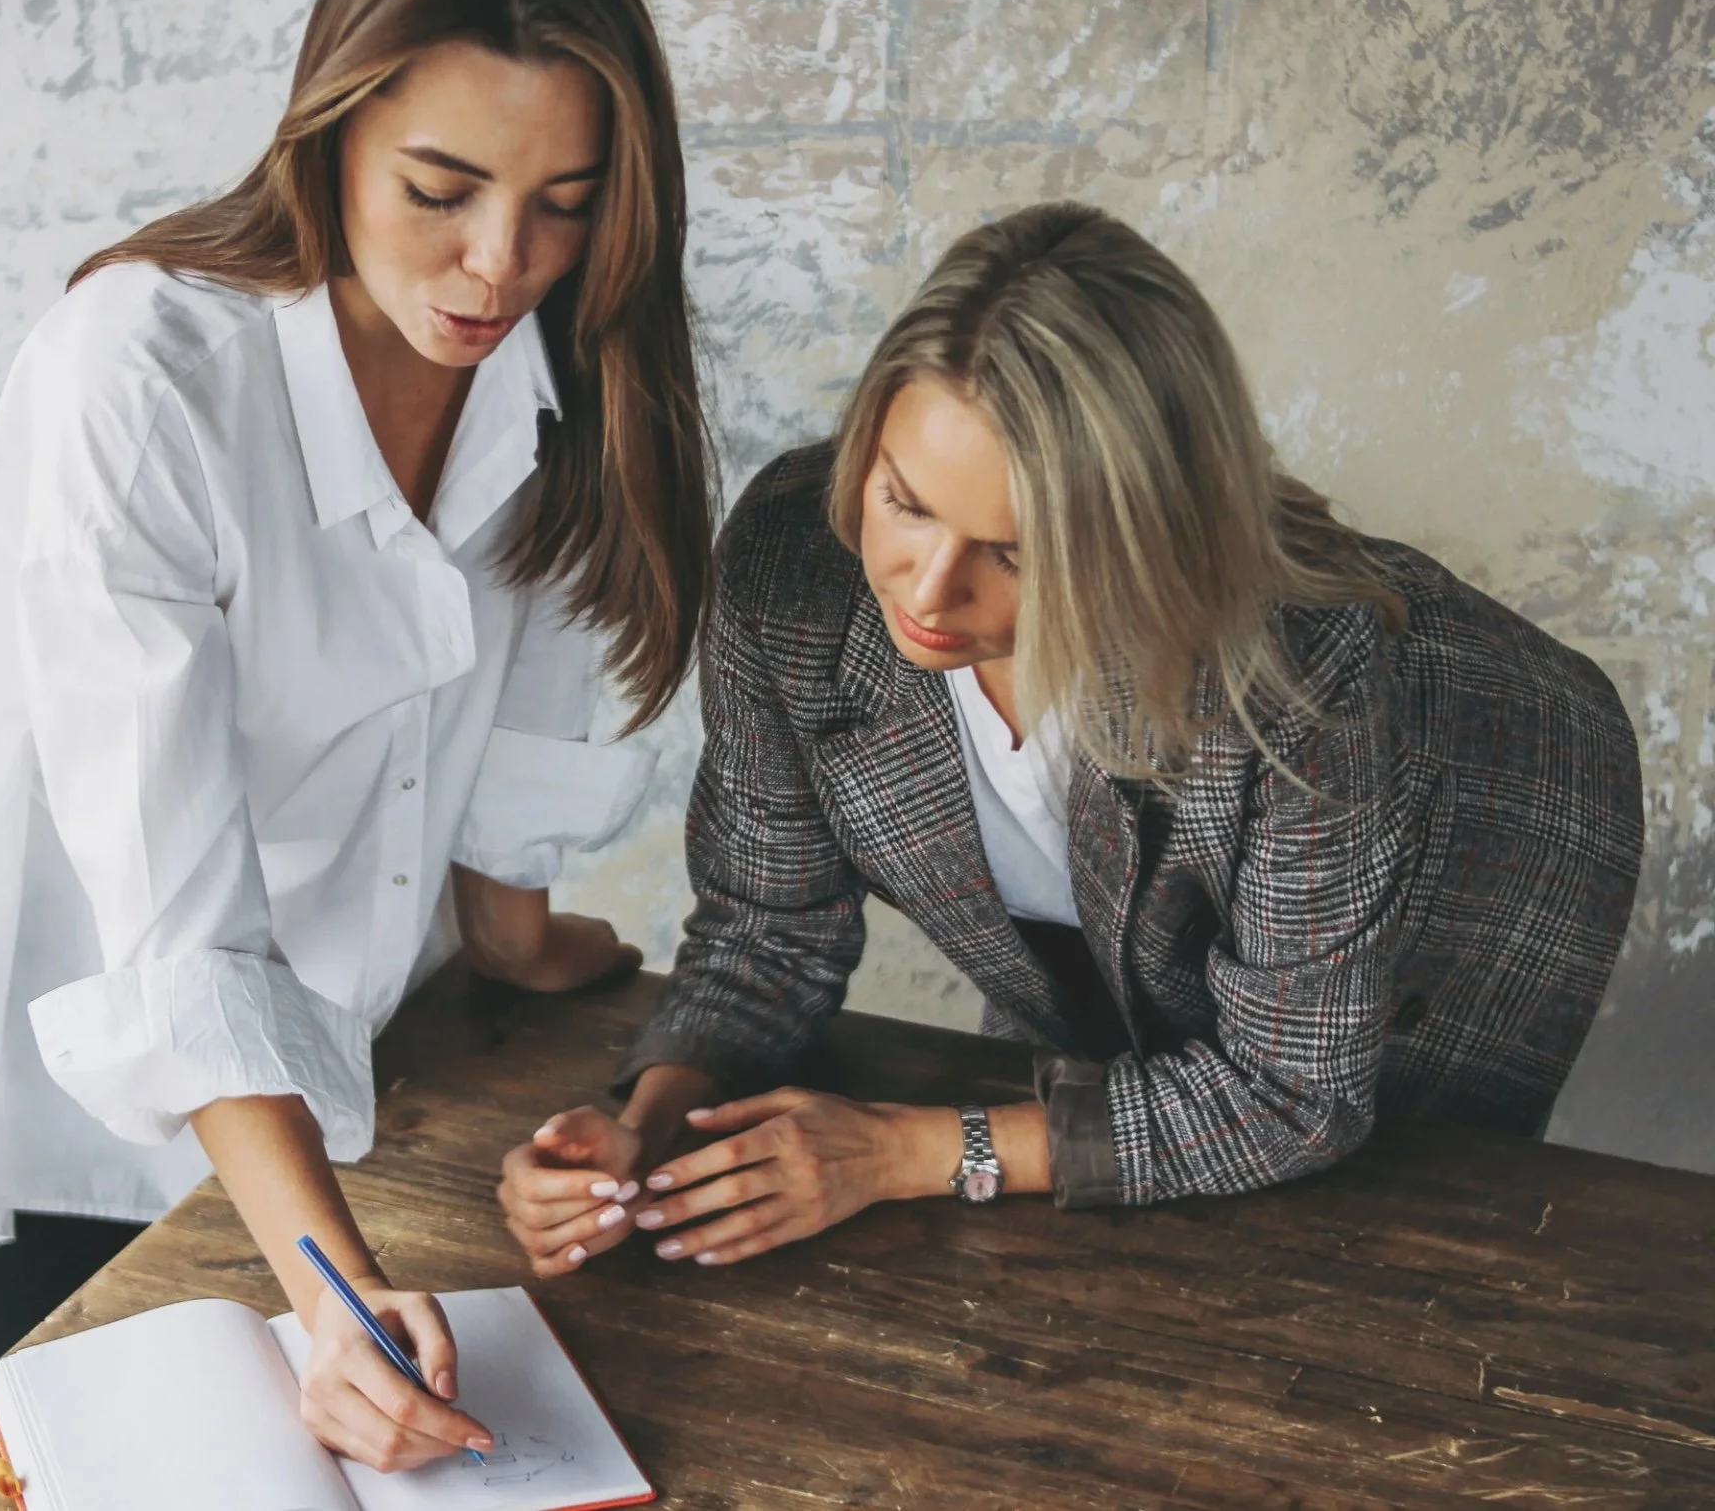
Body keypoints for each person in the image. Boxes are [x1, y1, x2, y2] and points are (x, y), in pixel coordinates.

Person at [0, 0, 710, 1461]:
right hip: (43, 1055)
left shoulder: (567, 364)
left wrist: (528, 948)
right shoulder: (145, 374)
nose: (501, 264)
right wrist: (336, 1286)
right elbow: (177, 927)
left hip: (336, 1054)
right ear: (331, 134)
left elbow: (495, 748)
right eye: (443, 190)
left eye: (566, 202)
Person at [498, 201, 1642, 1276]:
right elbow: (766, 930)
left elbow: (1293, 1095)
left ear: (1135, 542)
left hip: (1493, 838)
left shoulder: (1308, 674)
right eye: (905, 502)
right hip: (1149, 899)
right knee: (1087, 1112)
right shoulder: (794, 565)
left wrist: (902, 1152)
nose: (929, 592)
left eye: (1016, 552)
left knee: (1363, 1234)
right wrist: (640, 1128)